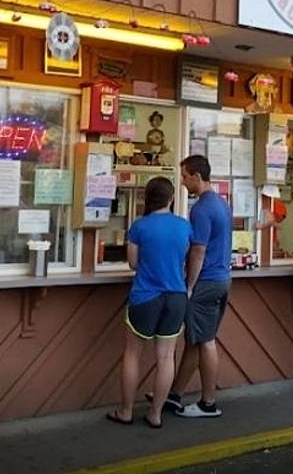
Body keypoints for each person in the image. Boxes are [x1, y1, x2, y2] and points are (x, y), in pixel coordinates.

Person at [107, 177, 191, 429]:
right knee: (166, 357)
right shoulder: (184, 226)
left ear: (147, 198)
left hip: (145, 296)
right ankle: (155, 414)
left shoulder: (139, 227)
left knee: (132, 354)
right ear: (171, 197)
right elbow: (190, 255)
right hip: (176, 296)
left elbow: (133, 263)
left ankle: (126, 411)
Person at [163, 155, 232, 418]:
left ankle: (208, 402)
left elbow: (198, 252)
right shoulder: (221, 204)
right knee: (196, 338)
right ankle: (174, 394)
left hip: (206, 280)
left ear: (196, 176)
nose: (182, 182)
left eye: (184, 176)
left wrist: (189, 285)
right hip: (223, 278)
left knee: (205, 341)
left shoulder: (201, 208)